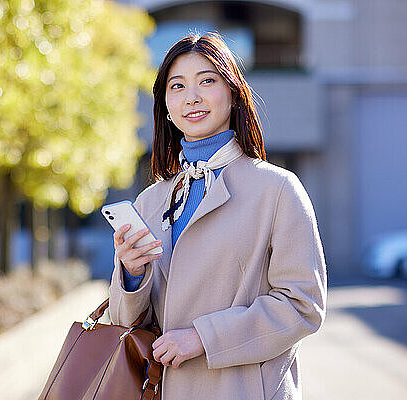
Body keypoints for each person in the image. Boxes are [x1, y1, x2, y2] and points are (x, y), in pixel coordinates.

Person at [108, 32, 327, 399]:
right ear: (165, 104)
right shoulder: (150, 202)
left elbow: (303, 305)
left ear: (233, 92)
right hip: (165, 389)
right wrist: (131, 275)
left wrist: (203, 338)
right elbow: (126, 324)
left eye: (206, 81)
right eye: (177, 86)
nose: (191, 97)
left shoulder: (277, 190)